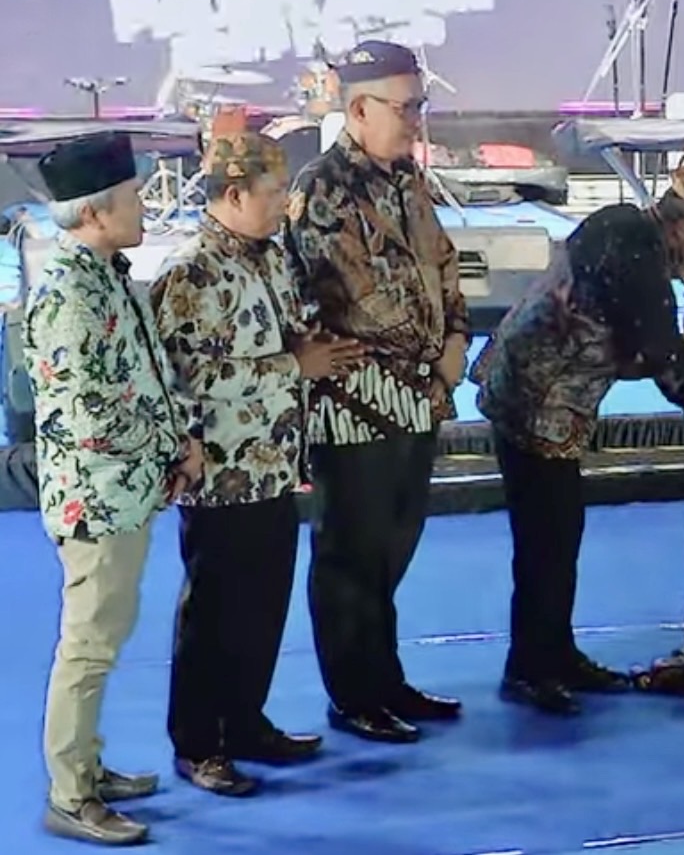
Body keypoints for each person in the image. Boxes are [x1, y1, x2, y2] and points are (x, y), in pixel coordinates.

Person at [471, 163, 684, 716]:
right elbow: (666, 362)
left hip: (527, 386)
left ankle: (555, 655)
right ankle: (529, 670)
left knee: (557, 539)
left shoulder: (623, 223)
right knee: (547, 542)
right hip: (537, 401)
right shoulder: (640, 260)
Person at [151, 132, 361, 795]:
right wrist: (291, 366)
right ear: (235, 194)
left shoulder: (269, 256)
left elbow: (284, 329)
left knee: (263, 609)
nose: (284, 206)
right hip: (219, 473)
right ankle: (198, 744)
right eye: (273, 193)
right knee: (214, 614)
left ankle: (244, 722)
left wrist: (308, 344)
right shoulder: (191, 272)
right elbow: (189, 376)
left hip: (274, 464)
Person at [284, 41, 469, 743]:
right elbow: (360, 300)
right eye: (406, 107)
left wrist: (455, 340)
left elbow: (443, 264)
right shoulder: (323, 188)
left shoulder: (407, 179)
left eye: (420, 105)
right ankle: (353, 694)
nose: (416, 119)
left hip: (418, 396)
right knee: (350, 556)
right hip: (355, 401)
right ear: (359, 109)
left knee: (392, 548)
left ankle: (385, 679)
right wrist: (430, 353)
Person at [27, 132, 203, 845]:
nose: (143, 208)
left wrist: (174, 443)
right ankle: (70, 795)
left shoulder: (102, 274)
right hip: (98, 500)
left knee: (100, 641)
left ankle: (87, 769)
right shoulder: (69, 294)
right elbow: (91, 418)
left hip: (122, 491)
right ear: (95, 212)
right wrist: (172, 449)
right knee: (88, 649)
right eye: (132, 197)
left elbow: (141, 375)